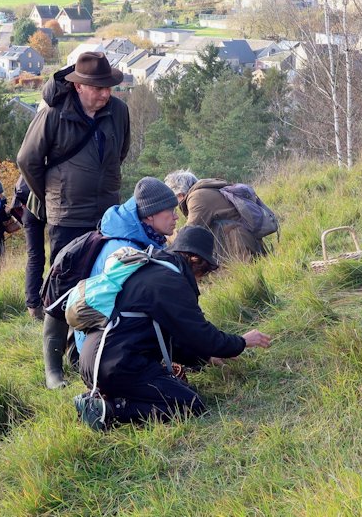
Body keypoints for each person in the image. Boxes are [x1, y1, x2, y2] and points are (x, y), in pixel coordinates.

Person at [75, 226, 272, 430]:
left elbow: (171, 338)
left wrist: (205, 358)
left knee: (177, 394)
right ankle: (109, 409)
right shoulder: (168, 281)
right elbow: (200, 334)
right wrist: (241, 342)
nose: (204, 278)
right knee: (190, 405)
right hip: (119, 365)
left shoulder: (152, 270)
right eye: (206, 270)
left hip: (98, 363)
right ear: (194, 259)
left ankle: (112, 395)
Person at [45, 177, 181, 389]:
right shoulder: (124, 251)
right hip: (102, 349)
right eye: (170, 210)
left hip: (99, 338)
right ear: (150, 215)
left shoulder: (140, 238)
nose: (176, 216)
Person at [16, 52, 131, 263]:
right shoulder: (54, 113)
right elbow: (27, 159)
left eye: (108, 87)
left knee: (101, 279)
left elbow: (120, 153)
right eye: (98, 88)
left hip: (106, 215)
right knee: (65, 280)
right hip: (67, 218)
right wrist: (52, 194)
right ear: (79, 86)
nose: (105, 94)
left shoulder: (119, 111)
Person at [164, 170, 266, 264]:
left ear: (180, 193)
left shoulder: (197, 197)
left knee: (240, 279)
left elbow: (189, 235)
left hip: (238, 246)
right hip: (244, 241)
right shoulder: (208, 190)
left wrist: (169, 235)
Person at [14, 175, 46, 321]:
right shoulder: (54, 159)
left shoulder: (31, 163)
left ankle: (34, 307)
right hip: (45, 207)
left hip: (27, 209)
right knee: (59, 254)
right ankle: (52, 301)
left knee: (34, 257)